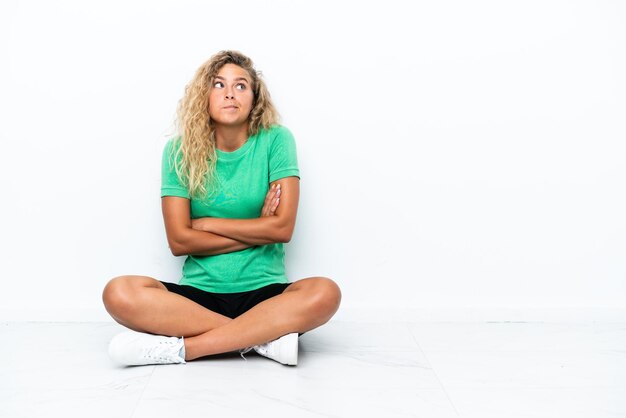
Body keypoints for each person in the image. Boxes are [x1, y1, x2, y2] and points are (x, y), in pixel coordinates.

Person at [102, 50, 341, 367]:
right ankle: (262, 340)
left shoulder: (276, 140)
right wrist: (259, 227)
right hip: (197, 299)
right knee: (118, 292)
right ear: (205, 94)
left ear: (254, 99)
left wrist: (207, 223)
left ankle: (186, 350)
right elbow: (179, 241)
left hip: (266, 296)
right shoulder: (178, 151)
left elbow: (282, 230)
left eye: (241, 86)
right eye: (219, 84)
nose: (230, 93)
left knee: (326, 292)